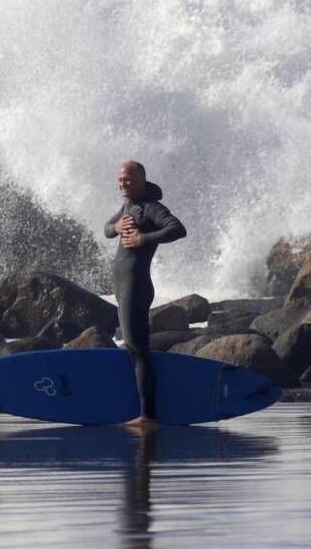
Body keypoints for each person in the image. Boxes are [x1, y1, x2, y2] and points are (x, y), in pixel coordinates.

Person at [104, 160, 187, 428]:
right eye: (119, 179)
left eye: (127, 179)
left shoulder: (151, 207)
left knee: (137, 349)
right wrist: (116, 228)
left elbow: (177, 228)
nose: (122, 183)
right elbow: (107, 228)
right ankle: (143, 409)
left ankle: (147, 415)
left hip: (135, 285)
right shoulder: (129, 206)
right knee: (133, 347)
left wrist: (143, 239)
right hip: (122, 285)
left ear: (141, 179)